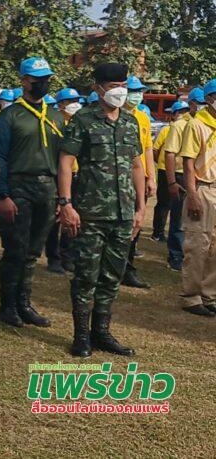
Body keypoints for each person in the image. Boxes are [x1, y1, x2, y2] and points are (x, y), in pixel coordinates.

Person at [58, 62, 145, 357]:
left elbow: (137, 166)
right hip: (91, 212)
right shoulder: (83, 119)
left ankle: (102, 332)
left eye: (123, 86)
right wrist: (66, 203)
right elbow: (66, 162)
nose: (120, 91)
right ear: (97, 89)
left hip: (123, 214)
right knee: (86, 276)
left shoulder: (130, 121)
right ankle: (81, 335)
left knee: (111, 277)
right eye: (113, 87)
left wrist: (140, 208)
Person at [0, 57, 63, 329]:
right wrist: (3, 195)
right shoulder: (9, 116)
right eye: (37, 79)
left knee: (33, 252)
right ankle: (7, 306)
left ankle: (24, 303)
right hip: (18, 186)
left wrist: (62, 197)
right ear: (23, 80)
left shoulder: (56, 116)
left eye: (46, 79)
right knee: (15, 249)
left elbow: (63, 159)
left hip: (48, 188)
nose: (43, 83)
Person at [178, 79, 216, 317]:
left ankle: (209, 294)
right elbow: (188, 162)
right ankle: (191, 296)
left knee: (215, 247)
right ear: (210, 98)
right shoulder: (197, 124)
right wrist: (191, 193)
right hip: (202, 188)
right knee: (198, 245)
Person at [162, 88, 205, 272]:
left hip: (201, 177)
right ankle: (176, 256)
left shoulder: (206, 125)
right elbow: (170, 153)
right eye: (201, 103)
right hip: (181, 175)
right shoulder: (180, 125)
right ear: (192, 104)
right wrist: (172, 181)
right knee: (179, 219)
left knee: (199, 221)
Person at [120, 75, 155, 289]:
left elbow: (148, 148)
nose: (137, 95)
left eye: (139, 91)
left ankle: (128, 267)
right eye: (133, 91)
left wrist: (151, 177)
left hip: (138, 177)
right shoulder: (115, 114)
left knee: (135, 223)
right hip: (117, 177)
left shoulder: (142, 117)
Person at [44, 87, 84, 274]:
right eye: (70, 101)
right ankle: (53, 258)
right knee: (55, 218)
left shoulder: (79, 123)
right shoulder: (54, 124)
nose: (74, 104)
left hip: (75, 175)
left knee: (73, 217)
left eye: (76, 101)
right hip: (57, 175)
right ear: (60, 104)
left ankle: (67, 255)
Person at [151, 102, 188, 243]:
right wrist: (161, 163)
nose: (182, 114)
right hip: (165, 170)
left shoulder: (190, 128)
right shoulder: (166, 130)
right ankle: (158, 232)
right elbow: (155, 149)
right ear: (173, 115)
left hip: (183, 172)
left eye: (184, 111)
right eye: (179, 112)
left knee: (179, 207)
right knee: (164, 203)